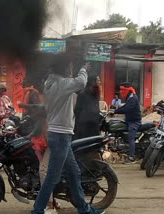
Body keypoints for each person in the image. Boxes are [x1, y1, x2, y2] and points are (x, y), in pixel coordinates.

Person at [31, 56, 105, 214]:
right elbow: (80, 82)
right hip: (60, 136)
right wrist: (84, 69)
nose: (71, 70)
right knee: (52, 176)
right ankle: (37, 210)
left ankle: (84, 209)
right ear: (64, 69)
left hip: (58, 134)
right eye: (70, 67)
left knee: (74, 172)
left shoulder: (50, 83)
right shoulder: (61, 83)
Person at [110, 82, 141, 163]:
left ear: (127, 90)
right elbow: (125, 106)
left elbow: (127, 109)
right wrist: (114, 110)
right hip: (129, 120)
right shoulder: (129, 97)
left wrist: (116, 111)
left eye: (122, 90)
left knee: (131, 137)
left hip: (134, 121)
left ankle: (131, 157)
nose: (120, 92)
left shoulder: (133, 98)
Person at [74, 74, 101, 139]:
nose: (99, 82)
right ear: (93, 82)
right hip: (84, 128)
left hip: (94, 126)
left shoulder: (96, 94)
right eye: (98, 80)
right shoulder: (82, 94)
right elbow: (77, 111)